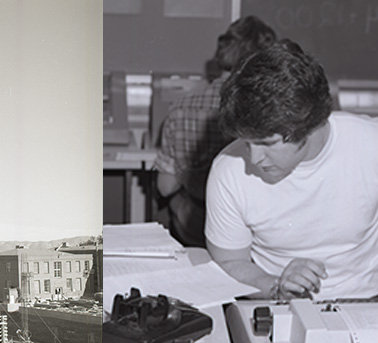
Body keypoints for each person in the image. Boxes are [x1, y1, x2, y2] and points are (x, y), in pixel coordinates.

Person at [207, 39, 378, 300]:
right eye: (247, 142)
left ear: (307, 126)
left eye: (266, 143)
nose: (253, 158)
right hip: (277, 302)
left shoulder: (369, 145)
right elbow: (228, 264)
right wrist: (275, 285)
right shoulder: (228, 171)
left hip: (368, 302)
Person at [155, 16, 276, 247]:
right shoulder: (265, 111)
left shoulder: (180, 107)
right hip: (250, 231)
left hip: (196, 225)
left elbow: (165, 186)